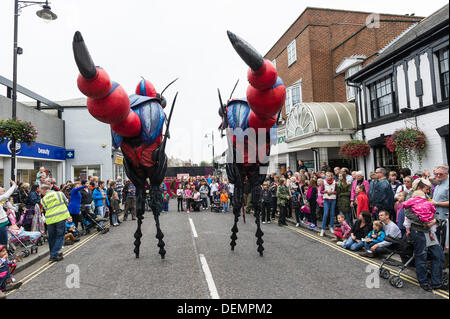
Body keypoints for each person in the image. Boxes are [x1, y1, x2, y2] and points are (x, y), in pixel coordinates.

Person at [40, 184, 71, 262]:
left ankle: (53, 254)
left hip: (50, 220)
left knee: (52, 237)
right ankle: (54, 254)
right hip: (60, 218)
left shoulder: (43, 199)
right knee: (60, 236)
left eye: (41, 192)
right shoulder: (59, 193)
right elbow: (66, 202)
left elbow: (46, 209)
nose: (41, 193)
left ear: (45, 190)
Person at [319, 172, 337, 237]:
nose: (329, 177)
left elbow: (337, 191)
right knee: (325, 214)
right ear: (326, 176)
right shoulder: (323, 182)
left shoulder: (335, 182)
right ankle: (322, 229)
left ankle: (331, 227)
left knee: (332, 214)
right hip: (326, 200)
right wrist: (326, 192)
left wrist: (333, 192)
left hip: (333, 200)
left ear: (332, 176)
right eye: (327, 176)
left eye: (330, 176)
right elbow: (321, 191)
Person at [0, 180, 17, 246]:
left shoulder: (2, 199)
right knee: (3, 243)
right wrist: (13, 185)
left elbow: (5, 197)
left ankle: (4, 254)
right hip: (1, 222)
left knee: (3, 243)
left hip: (2, 222)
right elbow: (6, 196)